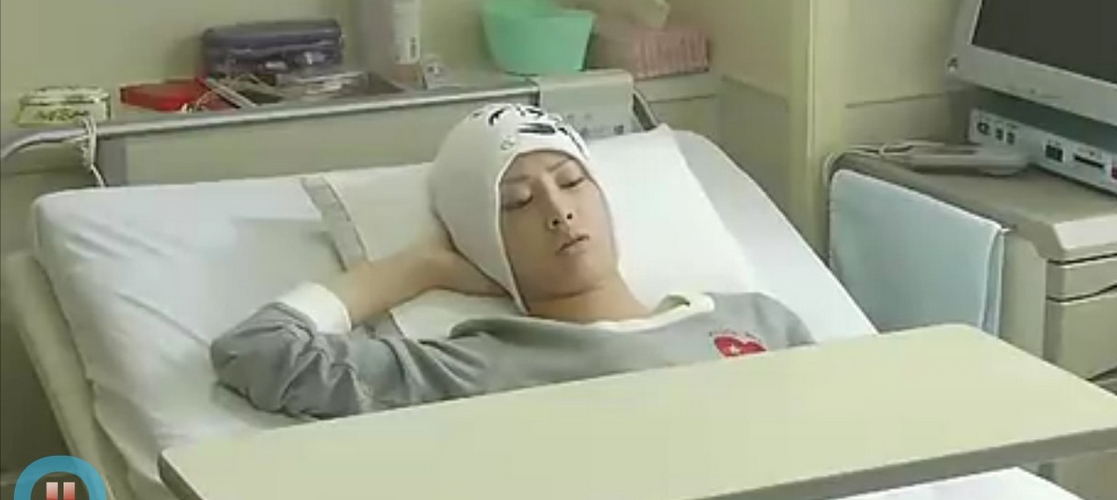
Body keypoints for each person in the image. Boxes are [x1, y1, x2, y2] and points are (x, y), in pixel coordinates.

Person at [210, 103, 815, 418]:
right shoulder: (481, 365)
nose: (558, 211)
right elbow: (258, 350)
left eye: (571, 182)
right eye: (518, 202)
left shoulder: (758, 320)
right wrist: (421, 267)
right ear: (482, 243)